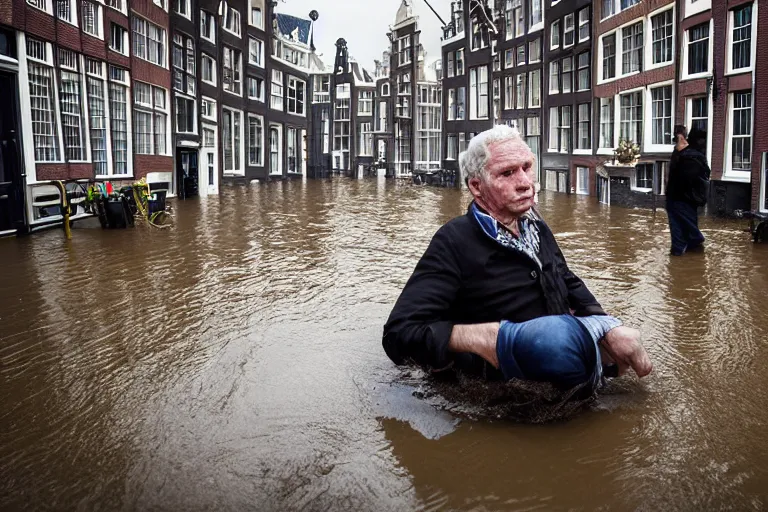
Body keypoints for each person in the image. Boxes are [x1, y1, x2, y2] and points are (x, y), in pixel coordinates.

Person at [382, 125, 652, 390]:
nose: (525, 183)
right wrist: (484, 338)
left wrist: (607, 327)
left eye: (526, 167)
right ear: (477, 186)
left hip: (565, 376)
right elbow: (399, 334)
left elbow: (566, 280)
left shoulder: (535, 224)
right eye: (507, 173)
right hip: (502, 403)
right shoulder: (453, 241)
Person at [496, 314, 649, 392]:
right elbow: (644, 369)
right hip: (577, 351)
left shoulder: (597, 318)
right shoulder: (629, 337)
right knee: (584, 402)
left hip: (547, 332)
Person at [666, 126, 711, 256]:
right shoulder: (699, 156)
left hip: (678, 199)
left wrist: (678, 151)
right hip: (691, 200)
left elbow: (681, 178)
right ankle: (687, 259)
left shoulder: (686, 156)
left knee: (680, 234)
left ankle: (688, 248)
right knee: (683, 231)